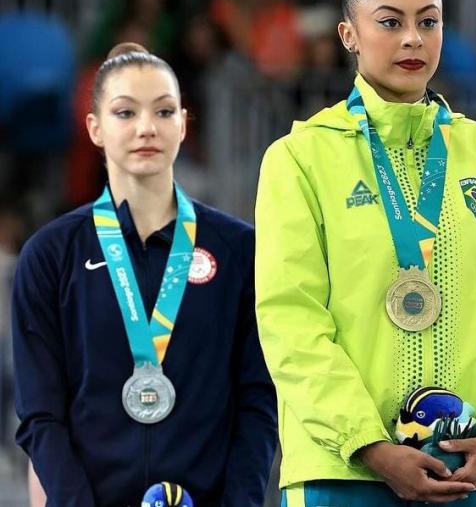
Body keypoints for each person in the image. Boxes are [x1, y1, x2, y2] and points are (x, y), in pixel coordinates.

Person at [254, 0, 476, 505]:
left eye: (429, 21)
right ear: (349, 34)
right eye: (390, 22)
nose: (413, 38)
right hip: (343, 471)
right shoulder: (300, 159)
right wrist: (369, 444)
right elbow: (291, 319)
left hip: (470, 468)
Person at [12, 42, 277, 506]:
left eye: (163, 110)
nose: (146, 128)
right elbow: (40, 414)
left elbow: (257, 403)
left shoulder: (239, 251)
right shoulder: (50, 256)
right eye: (125, 112)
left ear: (183, 123)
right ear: (94, 128)